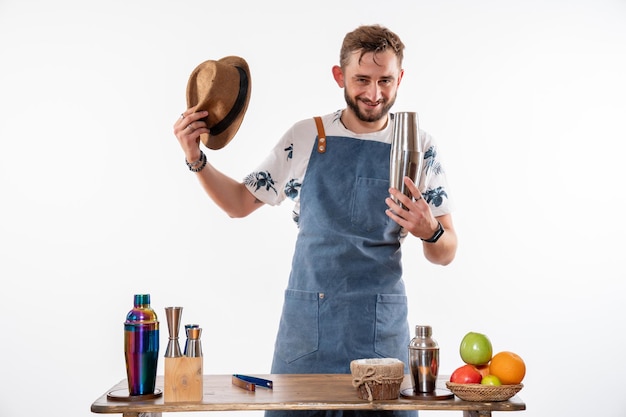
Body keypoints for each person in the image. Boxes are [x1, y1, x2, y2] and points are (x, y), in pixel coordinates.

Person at [174, 24, 457, 417]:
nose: (374, 94)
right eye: (362, 80)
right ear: (339, 76)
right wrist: (195, 158)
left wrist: (432, 231)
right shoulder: (307, 136)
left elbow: (445, 253)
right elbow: (238, 203)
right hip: (307, 332)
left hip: (381, 334)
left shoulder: (418, 146)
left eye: (385, 81)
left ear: (400, 78)